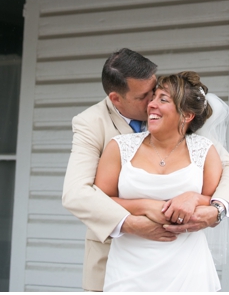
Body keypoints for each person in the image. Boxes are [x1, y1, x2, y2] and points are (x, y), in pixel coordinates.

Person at [61, 49, 229, 292]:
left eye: (156, 90)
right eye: (144, 96)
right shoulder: (91, 124)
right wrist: (134, 219)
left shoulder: (178, 115)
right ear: (117, 99)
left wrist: (215, 208)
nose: (152, 103)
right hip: (119, 259)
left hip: (182, 264)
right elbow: (76, 193)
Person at [95, 72, 222, 291]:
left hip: (187, 269)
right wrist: (144, 206)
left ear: (187, 115)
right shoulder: (120, 147)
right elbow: (97, 201)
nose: (151, 105)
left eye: (162, 99)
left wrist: (193, 198)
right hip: (129, 269)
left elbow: (215, 205)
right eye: (152, 98)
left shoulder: (205, 151)